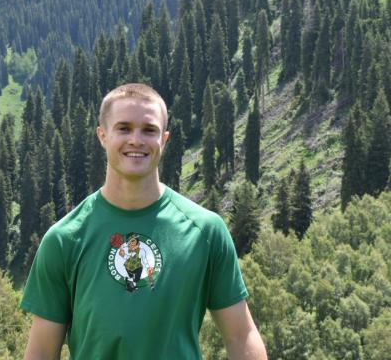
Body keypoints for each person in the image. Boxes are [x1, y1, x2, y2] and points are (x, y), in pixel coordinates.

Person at [21, 83, 267, 359]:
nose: (136, 140)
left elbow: (241, 334)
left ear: (164, 138)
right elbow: (42, 350)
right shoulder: (64, 239)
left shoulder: (206, 232)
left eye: (149, 130)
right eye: (124, 128)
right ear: (103, 135)